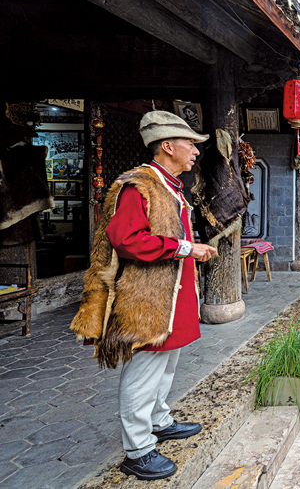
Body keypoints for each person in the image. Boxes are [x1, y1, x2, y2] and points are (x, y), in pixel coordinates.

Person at [70, 111, 216, 481]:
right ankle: (137, 450)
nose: (195, 151)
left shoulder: (170, 186)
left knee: (166, 364)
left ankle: (159, 421)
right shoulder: (139, 185)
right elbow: (127, 239)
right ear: (167, 146)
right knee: (144, 372)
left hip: (170, 295)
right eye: (189, 144)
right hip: (147, 299)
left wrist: (188, 249)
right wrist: (186, 248)